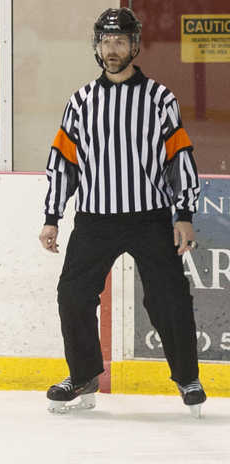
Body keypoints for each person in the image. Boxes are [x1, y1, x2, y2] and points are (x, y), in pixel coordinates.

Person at [39, 8, 205, 417]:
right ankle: (83, 376)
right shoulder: (80, 102)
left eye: (120, 41)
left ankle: (187, 378)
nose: (112, 49)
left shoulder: (160, 99)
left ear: (134, 45)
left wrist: (184, 212)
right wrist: (52, 216)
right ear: (96, 47)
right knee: (73, 295)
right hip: (95, 219)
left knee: (168, 299)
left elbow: (179, 156)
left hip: (150, 216)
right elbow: (64, 162)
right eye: (105, 42)